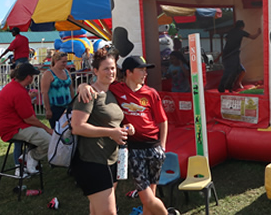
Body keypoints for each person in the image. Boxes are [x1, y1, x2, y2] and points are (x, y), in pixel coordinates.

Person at [78, 55, 175, 215]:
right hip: (134, 148)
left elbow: (162, 121)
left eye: (146, 70)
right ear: (128, 72)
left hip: (154, 148)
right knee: (147, 198)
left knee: (151, 194)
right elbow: (97, 86)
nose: (145, 74)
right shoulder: (116, 89)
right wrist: (83, 86)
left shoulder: (151, 93)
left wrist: (163, 146)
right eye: (141, 70)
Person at [71, 49, 128, 215]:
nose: (111, 72)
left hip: (110, 160)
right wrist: (111, 132)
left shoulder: (111, 91)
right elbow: (77, 126)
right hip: (92, 161)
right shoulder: (89, 93)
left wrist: (124, 129)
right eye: (106, 68)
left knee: (97, 211)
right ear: (95, 71)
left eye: (113, 68)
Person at [0, 63, 52, 174]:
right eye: (33, 76)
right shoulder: (19, 92)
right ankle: (30, 157)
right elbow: (29, 119)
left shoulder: (14, 87)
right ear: (28, 77)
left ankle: (27, 159)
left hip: (13, 126)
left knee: (44, 136)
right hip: (13, 129)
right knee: (49, 141)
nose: (34, 78)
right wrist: (47, 129)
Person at [218, 20, 261, 92]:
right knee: (234, 71)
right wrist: (258, 33)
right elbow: (253, 37)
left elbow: (226, 38)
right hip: (233, 54)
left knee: (232, 71)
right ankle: (225, 87)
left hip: (227, 54)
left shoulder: (231, 31)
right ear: (242, 27)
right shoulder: (241, 32)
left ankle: (226, 87)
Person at [40, 51, 75, 129]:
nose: (65, 63)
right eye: (63, 62)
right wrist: (48, 109)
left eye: (66, 61)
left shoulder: (67, 72)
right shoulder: (48, 74)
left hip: (67, 105)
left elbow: (71, 89)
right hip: (55, 107)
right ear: (56, 61)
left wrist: (73, 103)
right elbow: (44, 92)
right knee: (57, 129)